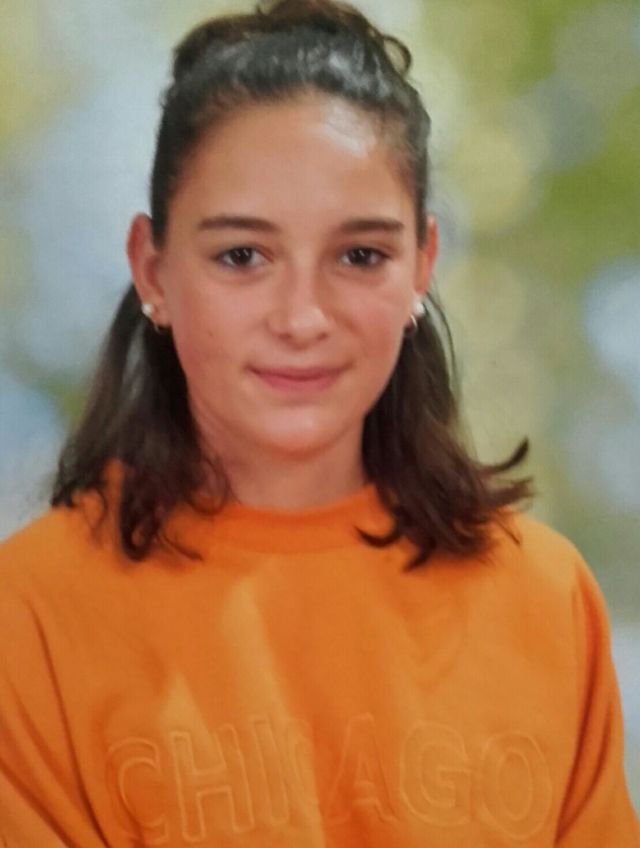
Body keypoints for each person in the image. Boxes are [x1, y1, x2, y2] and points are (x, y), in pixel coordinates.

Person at [0, 0, 637, 845]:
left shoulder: (544, 598)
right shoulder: (32, 611)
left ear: (421, 265)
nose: (302, 317)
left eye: (360, 255)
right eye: (242, 256)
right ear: (153, 270)